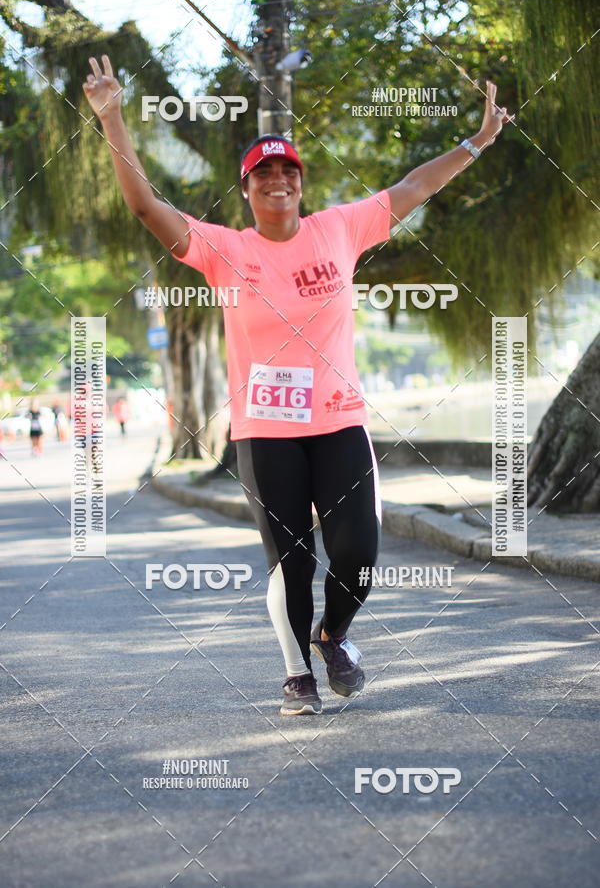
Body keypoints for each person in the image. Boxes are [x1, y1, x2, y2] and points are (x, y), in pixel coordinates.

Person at [83, 54, 513, 714]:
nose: (278, 180)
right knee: (292, 559)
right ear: (247, 188)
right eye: (265, 173)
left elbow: (415, 187)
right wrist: (113, 119)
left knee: (358, 556)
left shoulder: (339, 228)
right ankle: (296, 674)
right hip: (266, 431)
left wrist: (476, 143)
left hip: (340, 421)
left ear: (301, 184)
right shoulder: (224, 249)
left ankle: (332, 634)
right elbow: (145, 205)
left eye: (289, 170)